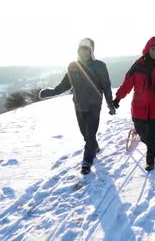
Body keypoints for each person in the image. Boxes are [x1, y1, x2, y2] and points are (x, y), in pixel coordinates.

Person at [39, 38, 116, 175]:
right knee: (85, 134)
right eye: (81, 48)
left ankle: (87, 161)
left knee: (90, 133)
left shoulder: (99, 66)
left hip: (94, 105)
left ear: (91, 50)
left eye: (86, 48)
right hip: (79, 105)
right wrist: (50, 92)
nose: (83, 51)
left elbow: (106, 86)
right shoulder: (73, 66)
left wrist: (110, 104)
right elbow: (64, 85)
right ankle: (94, 147)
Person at [113, 37, 155, 171]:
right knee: (143, 133)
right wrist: (118, 98)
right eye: (153, 49)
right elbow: (127, 83)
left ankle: (150, 159)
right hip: (139, 108)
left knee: (153, 135)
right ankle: (144, 138)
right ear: (148, 49)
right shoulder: (138, 65)